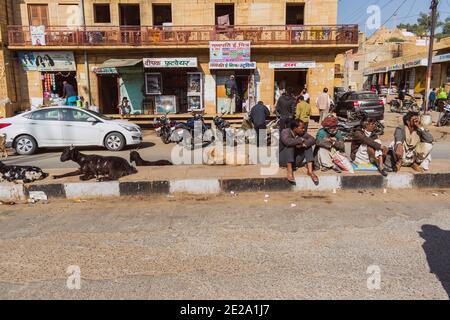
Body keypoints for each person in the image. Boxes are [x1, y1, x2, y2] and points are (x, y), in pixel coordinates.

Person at [279, 119, 319, 186]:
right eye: (302, 128)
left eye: (304, 128)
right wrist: (300, 140)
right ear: (295, 128)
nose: (303, 130)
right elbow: (287, 142)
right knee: (291, 145)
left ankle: (310, 171)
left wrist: (304, 144)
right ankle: (289, 171)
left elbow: (312, 139)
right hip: (283, 159)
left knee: (307, 146)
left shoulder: (302, 133)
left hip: (295, 160)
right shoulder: (285, 132)